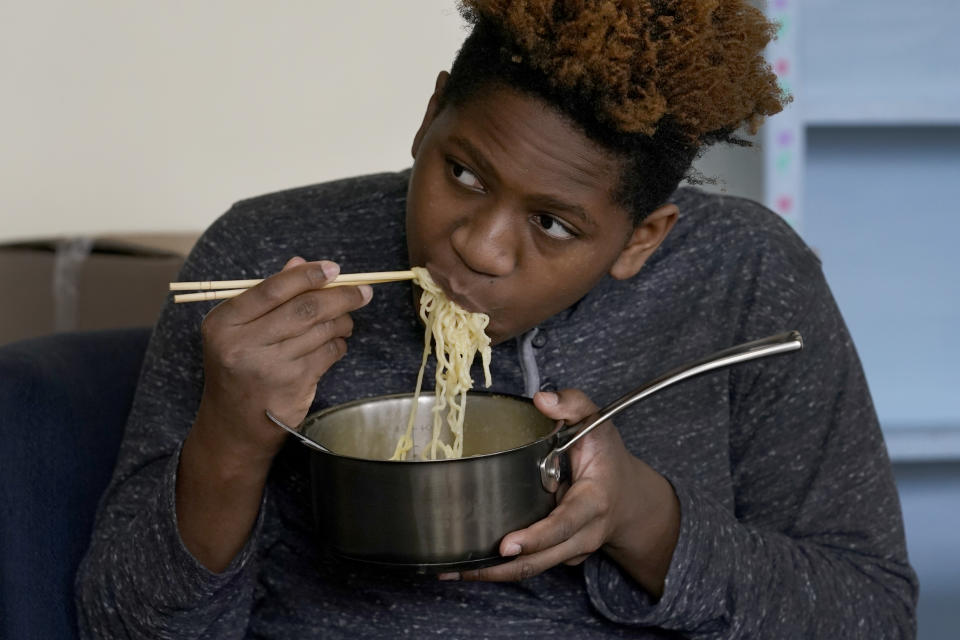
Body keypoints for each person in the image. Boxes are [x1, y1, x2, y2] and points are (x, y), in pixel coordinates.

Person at [75, 1, 918, 637]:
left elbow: (871, 613)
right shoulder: (265, 252)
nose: (478, 248)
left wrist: (643, 521)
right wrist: (230, 436)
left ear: (641, 238)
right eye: (466, 174)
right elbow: (123, 621)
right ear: (430, 112)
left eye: (553, 225)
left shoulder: (745, 274)